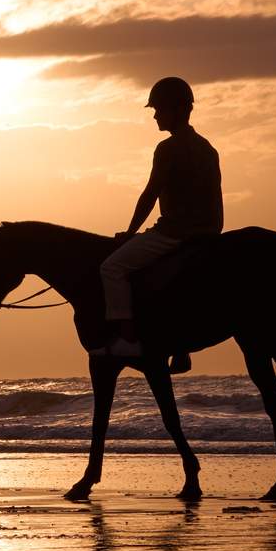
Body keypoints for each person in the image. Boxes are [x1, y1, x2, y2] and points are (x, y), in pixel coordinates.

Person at [91, 77, 223, 369]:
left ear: (178, 109)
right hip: (209, 233)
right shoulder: (207, 148)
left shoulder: (168, 148)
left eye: (159, 110)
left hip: (175, 233)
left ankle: (127, 339)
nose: (155, 115)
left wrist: (130, 232)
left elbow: (150, 194)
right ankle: (181, 347)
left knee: (112, 267)